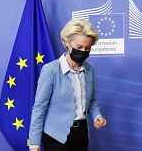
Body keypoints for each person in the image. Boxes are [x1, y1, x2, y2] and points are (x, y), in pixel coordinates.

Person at [29, 19, 107, 151]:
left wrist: (97, 116)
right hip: (55, 136)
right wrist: (34, 143)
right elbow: (39, 107)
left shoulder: (89, 69)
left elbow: (92, 101)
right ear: (66, 42)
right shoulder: (50, 70)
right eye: (79, 47)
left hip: (81, 135)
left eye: (88, 48)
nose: (83, 51)